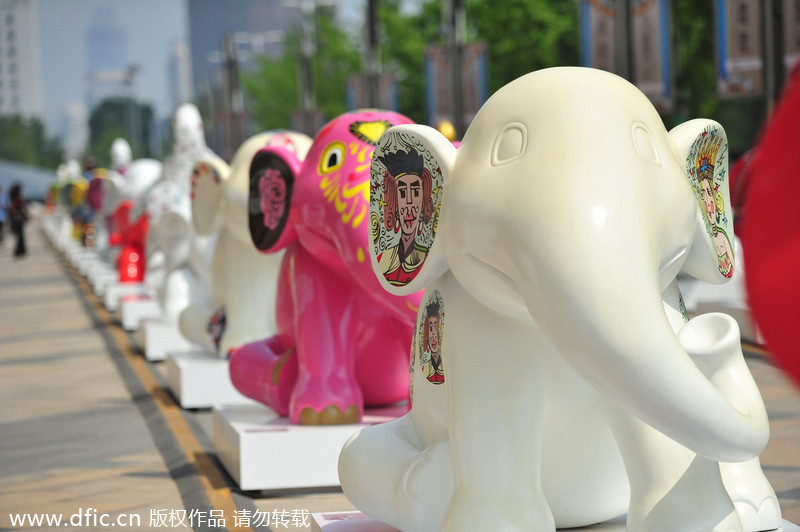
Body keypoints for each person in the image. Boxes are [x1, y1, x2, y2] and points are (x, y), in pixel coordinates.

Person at [377, 148, 434, 286]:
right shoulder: (383, 259)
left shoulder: (427, 260)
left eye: (415, 192)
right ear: (395, 202)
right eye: (402, 192)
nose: (409, 202)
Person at [8, 182, 28, 259]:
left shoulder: (12, 198)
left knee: (18, 236)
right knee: (20, 236)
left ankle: (18, 251)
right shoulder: (18, 199)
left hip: (14, 219)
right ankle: (19, 251)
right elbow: (22, 209)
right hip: (19, 219)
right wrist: (26, 216)